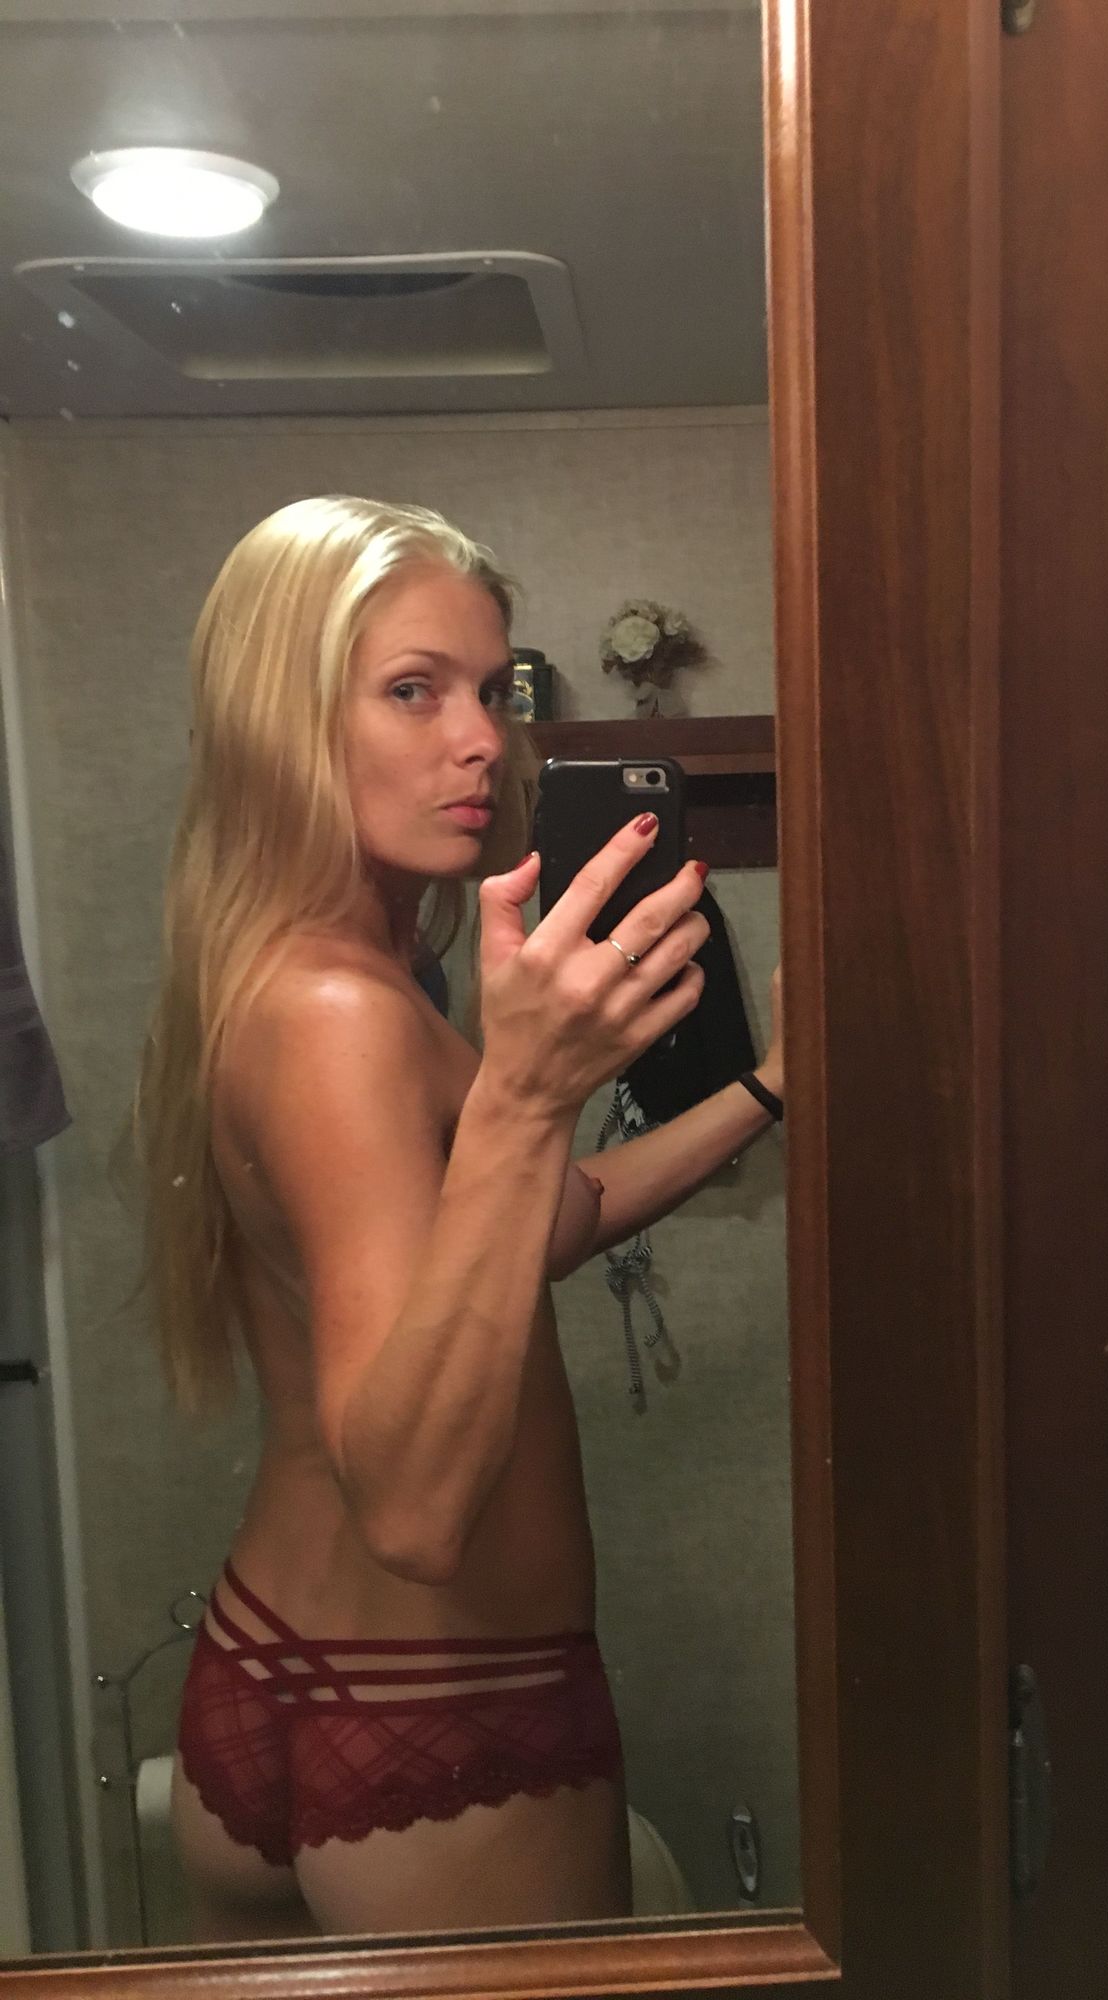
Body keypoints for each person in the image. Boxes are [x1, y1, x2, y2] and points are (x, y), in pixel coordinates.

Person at [130, 495, 785, 1941]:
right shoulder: (341, 1019)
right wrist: (528, 1093)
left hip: (273, 1656)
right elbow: (418, 1513)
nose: (484, 739)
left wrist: (768, 1087)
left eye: (493, 689)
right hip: (439, 1699)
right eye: (414, 691)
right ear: (281, 720)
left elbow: (544, 1219)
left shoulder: (296, 976)